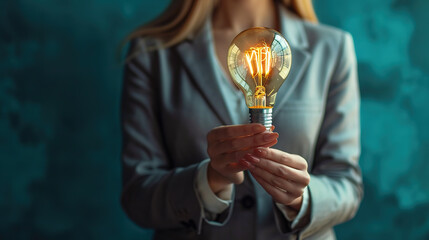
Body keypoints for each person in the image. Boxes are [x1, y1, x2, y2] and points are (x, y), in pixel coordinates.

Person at [120, 0, 363, 239]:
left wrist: (302, 199)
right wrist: (209, 180)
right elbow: (138, 196)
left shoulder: (331, 47)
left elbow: (346, 185)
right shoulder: (152, 53)